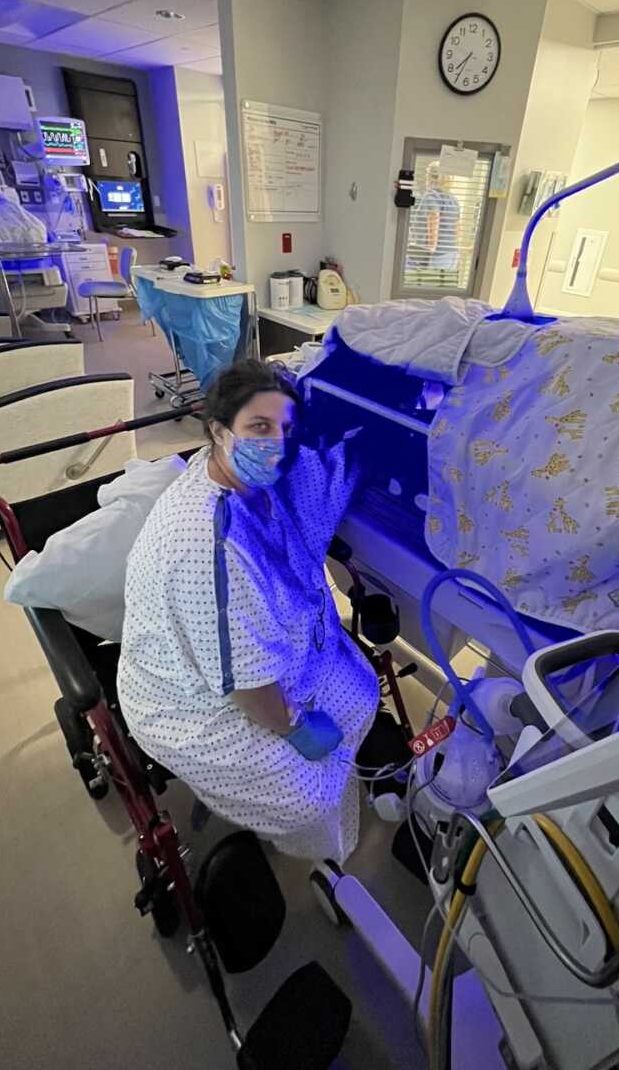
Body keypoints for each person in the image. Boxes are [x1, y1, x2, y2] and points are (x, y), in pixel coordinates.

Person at [117, 359, 379, 864]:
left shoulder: (248, 478)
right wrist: (295, 727)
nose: (276, 443)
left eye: (285, 428)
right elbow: (248, 687)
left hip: (259, 658)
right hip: (193, 699)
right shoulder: (208, 543)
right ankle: (319, 850)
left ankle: (333, 817)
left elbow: (318, 472)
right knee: (308, 793)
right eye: (259, 427)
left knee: (361, 694)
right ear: (218, 430)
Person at [407, 162, 461, 280]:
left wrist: (430, 252)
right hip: (451, 255)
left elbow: (434, 217)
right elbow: (457, 230)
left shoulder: (431, 196)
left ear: (430, 177)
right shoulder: (453, 199)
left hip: (436, 256)